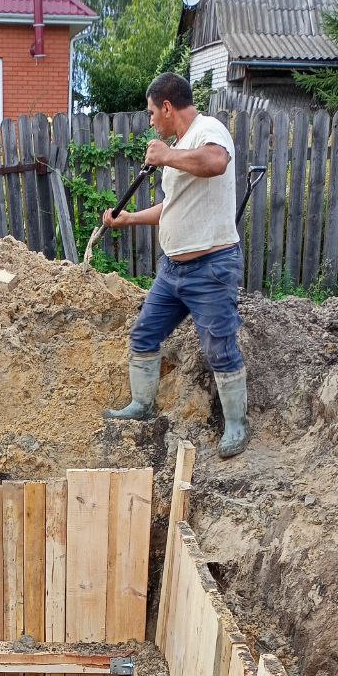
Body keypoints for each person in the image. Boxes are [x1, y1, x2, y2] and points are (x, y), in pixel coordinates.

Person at [102, 72, 249, 458]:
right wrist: (130, 218)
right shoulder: (182, 147)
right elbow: (174, 207)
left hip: (211, 267)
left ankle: (236, 425)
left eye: (152, 112)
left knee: (220, 347)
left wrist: (166, 154)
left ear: (167, 107)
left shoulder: (207, 130)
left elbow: (216, 162)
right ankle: (142, 404)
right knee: (144, 334)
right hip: (172, 271)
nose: (151, 121)